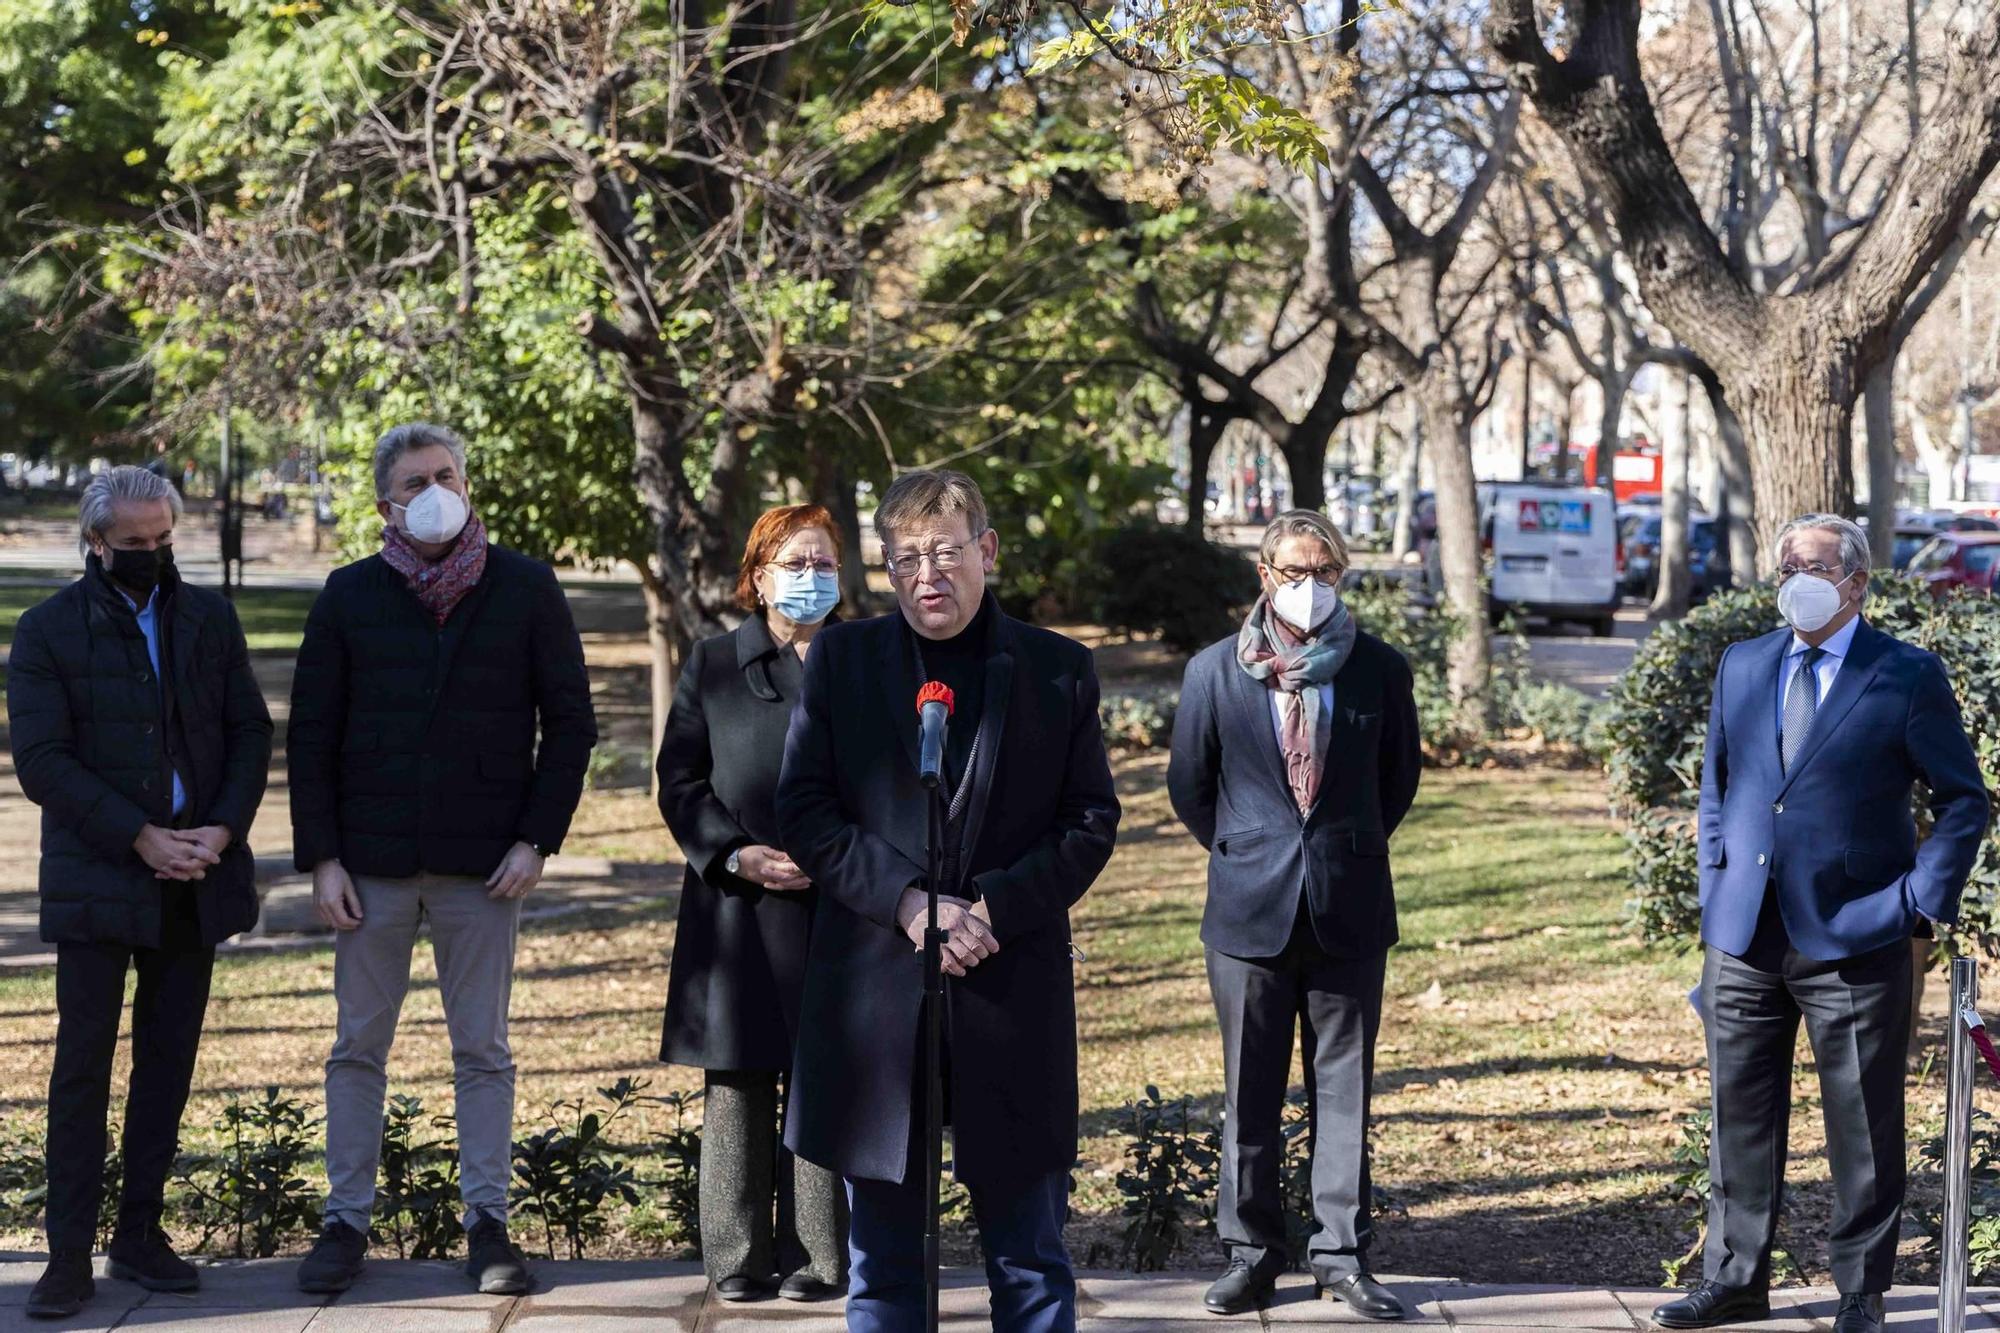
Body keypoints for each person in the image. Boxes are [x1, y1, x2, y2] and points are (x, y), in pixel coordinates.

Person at [776, 468, 1120, 1333]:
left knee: (1030, 1257)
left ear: (987, 551)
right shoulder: (845, 662)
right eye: (905, 558)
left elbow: (1089, 821)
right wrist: (909, 902)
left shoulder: (1057, 671)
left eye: (946, 551)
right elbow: (807, 812)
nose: (928, 573)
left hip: (1010, 987)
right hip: (878, 996)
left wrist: (991, 909)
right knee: (884, 1264)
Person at [1653, 514, 1989, 1333]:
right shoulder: (1744, 662)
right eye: (1787, 564)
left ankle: (1861, 1292)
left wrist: (1917, 902)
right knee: (1738, 1115)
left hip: (1855, 932)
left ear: (1856, 582)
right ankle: (1735, 1276)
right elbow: (1719, 789)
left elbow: (1965, 800)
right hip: (1744, 935)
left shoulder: (1905, 675)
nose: (1796, 576)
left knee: (1863, 1122)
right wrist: (1715, 887)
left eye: (1815, 565)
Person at [286, 423, 597, 1297]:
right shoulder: (348, 594)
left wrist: (537, 838)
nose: (436, 489)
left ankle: (488, 1228)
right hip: (371, 869)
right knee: (357, 1048)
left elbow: (570, 722)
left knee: (484, 1051)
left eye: (449, 473)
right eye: (418, 479)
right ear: (386, 501)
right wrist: (323, 859)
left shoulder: (527, 587)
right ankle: (343, 1225)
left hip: (485, 866)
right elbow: (311, 735)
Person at [7, 466, 273, 1319]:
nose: (152, 555)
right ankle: (68, 1256)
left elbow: (248, 730)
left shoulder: (208, 615)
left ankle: (141, 1233)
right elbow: (43, 760)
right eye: (134, 544)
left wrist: (220, 831)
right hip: (99, 875)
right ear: (95, 542)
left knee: (168, 1061)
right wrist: (139, 834)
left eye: (163, 540)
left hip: (197, 873)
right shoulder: (48, 629)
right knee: (83, 1066)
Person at [1165, 511, 1421, 1321]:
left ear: (1340, 576)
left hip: (1348, 904)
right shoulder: (1214, 671)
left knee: (1342, 1089)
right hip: (1248, 910)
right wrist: (1248, 850)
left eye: (1324, 571)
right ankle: (1251, 1253)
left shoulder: (1380, 670)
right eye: (1292, 571)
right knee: (1250, 1088)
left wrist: (1339, 849)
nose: (1307, 586)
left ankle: (1341, 1253)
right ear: (1263, 574)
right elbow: (1189, 785)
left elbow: (1397, 783)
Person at [657, 504, 850, 1303]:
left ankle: (817, 1255)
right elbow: (680, 780)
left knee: (823, 1075)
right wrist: (736, 852)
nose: (812, 576)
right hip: (736, 906)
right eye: (796, 562)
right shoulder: (711, 663)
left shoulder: (862, 661)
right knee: (737, 1081)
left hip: (839, 900)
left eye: (825, 561)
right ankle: (736, 1256)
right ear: (759, 574)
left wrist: (839, 856)